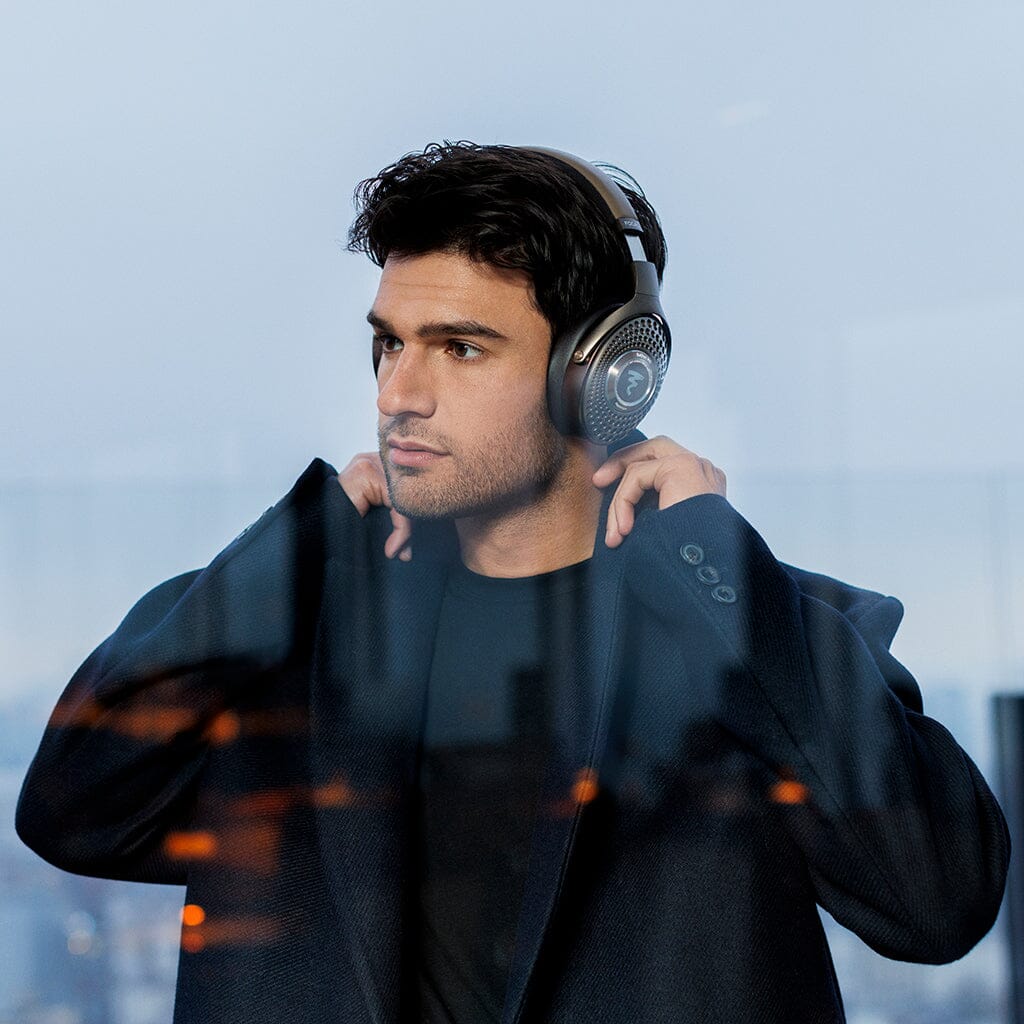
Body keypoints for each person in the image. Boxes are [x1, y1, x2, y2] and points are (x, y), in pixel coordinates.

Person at [17, 143, 1010, 1024]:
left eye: (459, 347)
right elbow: (75, 809)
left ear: (602, 375)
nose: (396, 393)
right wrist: (300, 548)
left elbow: (934, 903)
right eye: (388, 342)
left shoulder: (756, 633)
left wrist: (714, 555)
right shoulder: (296, 627)